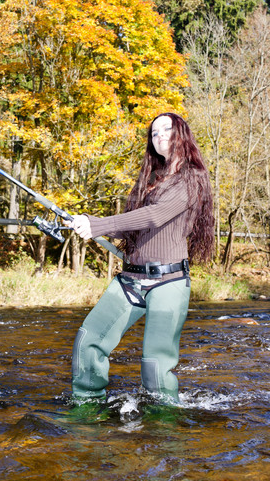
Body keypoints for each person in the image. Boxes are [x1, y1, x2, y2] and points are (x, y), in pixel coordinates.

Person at [66, 113, 214, 403]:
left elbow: (154, 216)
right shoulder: (151, 180)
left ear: (181, 134)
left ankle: (163, 424)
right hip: (130, 280)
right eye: (154, 132)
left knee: (155, 367)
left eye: (166, 129)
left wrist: (98, 224)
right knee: (88, 342)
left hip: (168, 282)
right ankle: (85, 407)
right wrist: (87, 224)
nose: (159, 135)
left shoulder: (192, 179)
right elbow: (133, 223)